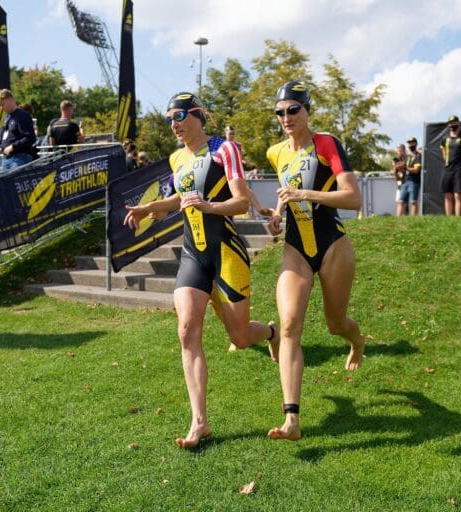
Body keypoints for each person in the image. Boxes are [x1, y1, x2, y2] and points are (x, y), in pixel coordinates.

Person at [123, 91, 279, 449]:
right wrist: (151, 208)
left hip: (226, 251)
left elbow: (239, 201)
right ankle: (200, 423)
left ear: (196, 116)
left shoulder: (224, 149)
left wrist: (209, 205)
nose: (173, 125)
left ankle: (271, 333)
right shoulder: (177, 157)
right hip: (193, 253)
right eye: (168, 119)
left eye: (178, 116)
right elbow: (180, 199)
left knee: (239, 337)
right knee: (186, 331)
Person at [264, 81, 366, 441]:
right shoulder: (275, 152)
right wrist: (277, 214)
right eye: (280, 112)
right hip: (295, 247)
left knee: (335, 323)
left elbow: (353, 198)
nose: (286, 117)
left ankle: (357, 342)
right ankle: (292, 419)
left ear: (307, 110)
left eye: (294, 109)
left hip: (332, 244)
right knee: (289, 325)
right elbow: (285, 192)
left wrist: (305, 194)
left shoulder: (326, 143)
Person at [0, 89, 37, 171]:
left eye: (2, 104)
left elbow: (30, 138)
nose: (1, 108)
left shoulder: (22, 115)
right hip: (6, 158)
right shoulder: (7, 117)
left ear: (10, 100)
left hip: (20, 157)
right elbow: (6, 137)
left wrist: (13, 147)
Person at [440, 116, 461, 216]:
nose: (452, 125)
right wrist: (447, 161)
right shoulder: (445, 138)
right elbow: (443, 152)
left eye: (454, 123)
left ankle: (458, 218)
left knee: (458, 194)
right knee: (447, 195)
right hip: (447, 170)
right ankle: (449, 218)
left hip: (458, 169)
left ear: (458, 123)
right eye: (450, 123)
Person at [403, 137, 422, 216]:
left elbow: (416, 170)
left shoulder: (418, 155)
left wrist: (406, 168)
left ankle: (414, 219)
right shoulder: (407, 156)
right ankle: (400, 219)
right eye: (409, 143)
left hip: (414, 181)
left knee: (413, 201)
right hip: (405, 180)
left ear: (416, 144)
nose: (411, 144)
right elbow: (404, 168)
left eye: (412, 143)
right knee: (401, 201)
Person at [391, 144, 407, 216]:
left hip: (407, 180)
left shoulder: (408, 158)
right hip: (400, 182)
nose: (400, 152)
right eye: (398, 150)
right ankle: (400, 217)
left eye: (401, 150)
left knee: (406, 201)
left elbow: (404, 168)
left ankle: (406, 216)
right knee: (400, 201)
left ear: (404, 150)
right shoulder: (395, 159)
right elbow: (395, 170)